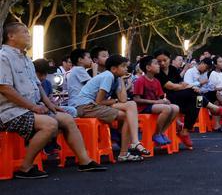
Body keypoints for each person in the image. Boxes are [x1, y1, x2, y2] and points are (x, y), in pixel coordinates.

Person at [0, 23, 107, 177]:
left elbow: (37, 85)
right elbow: (4, 88)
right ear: (11, 36)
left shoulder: (26, 59)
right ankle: (25, 168)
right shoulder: (3, 57)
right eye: (25, 32)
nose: (29, 35)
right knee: (50, 124)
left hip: (30, 108)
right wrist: (33, 107)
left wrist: (50, 105)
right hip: (10, 111)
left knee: (68, 119)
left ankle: (85, 162)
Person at [69, 54, 149, 162]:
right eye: (123, 66)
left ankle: (132, 144)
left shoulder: (116, 78)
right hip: (86, 106)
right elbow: (99, 101)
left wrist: (121, 80)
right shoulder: (108, 76)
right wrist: (114, 101)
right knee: (128, 114)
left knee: (131, 106)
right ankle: (128, 149)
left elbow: (123, 99)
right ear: (114, 69)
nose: (126, 68)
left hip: (94, 105)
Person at [154, 49, 198, 150]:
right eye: (159, 61)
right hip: (167, 98)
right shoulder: (157, 71)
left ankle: (186, 129)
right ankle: (211, 108)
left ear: (170, 59)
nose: (162, 63)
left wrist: (190, 86)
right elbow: (171, 86)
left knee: (197, 97)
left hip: (178, 96)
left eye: (165, 60)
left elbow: (181, 83)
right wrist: (187, 87)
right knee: (194, 95)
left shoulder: (173, 69)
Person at [132, 55, 180, 146]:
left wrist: (165, 101)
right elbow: (136, 99)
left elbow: (159, 97)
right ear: (148, 68)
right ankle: (156, 133)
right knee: (167, 109)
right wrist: (156, 102)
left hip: (154, 106)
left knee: (175, 108)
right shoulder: (140, 80)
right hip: (143, 108)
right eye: (156, 64)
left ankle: (162, 132)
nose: (159, 65)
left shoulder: (156, 81)